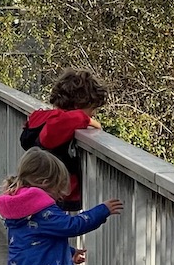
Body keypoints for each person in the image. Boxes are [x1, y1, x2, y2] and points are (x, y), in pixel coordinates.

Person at [20, 68, 108, 212]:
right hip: (53, 191)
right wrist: (88, 121)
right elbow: (53, 132)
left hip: (42, 187)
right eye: (91, 109)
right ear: (78, 106)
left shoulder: (43, 117)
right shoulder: (58, 121)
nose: (92, 114)